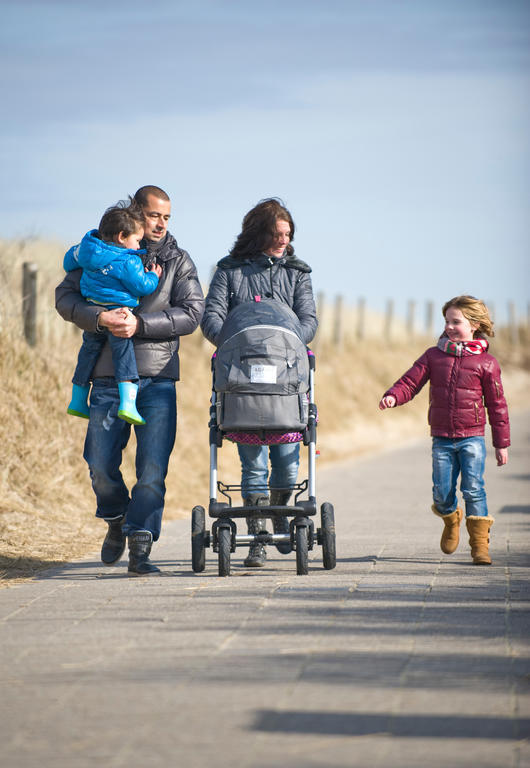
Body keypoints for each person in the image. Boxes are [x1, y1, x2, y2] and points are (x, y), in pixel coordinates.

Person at [55, 185, 205, 575]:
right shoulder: (99, 250)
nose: (160, 224)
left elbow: (192, 313)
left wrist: (140, 325)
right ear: (136, 213)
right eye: (154, 215)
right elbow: (65, 298)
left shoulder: (177, 261)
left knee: (152, 470)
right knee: (99, 464)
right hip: (106, 378)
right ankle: (116, 518)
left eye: (167, 218)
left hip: (157, 380)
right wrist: (99, 318)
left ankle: (140, 544)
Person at [201, 198, 318, 567]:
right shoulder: (229, 270)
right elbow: (212, 317)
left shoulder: (297, 272)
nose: (284, 241)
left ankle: (279, 509)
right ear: (259, 233)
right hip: (244, 378)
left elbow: (309, 320)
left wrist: (284, 344)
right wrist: (239, 345)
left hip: (286, 377)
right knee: (253, 466)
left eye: (288, 234)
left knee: (287, 463)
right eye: (276, 234)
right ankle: (258, 536)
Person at [379, 295, 510, 565]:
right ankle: (451, 519)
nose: (449, 327)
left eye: (456, 322)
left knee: (474, 489)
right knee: (441, 492)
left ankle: (480, 547)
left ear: (474, 325)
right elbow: (410, 382)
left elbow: (497, 406)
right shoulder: (434, 356)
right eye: (447, 321)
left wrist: (501, 443)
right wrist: (394, 395)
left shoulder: (487, 363)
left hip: (472, 437)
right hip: (442, 438)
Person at [64, 200, 162, 426]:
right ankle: (128, 405)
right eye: (137, 240)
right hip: (118, 313)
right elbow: (141, 287)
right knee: (123, 355)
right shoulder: (129, 261)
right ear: (121, 236)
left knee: (88, 352)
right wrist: (154, 276)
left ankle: (77, 401)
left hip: (93, 310)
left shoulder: (86, 250)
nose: (138, 246)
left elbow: (68, 262)